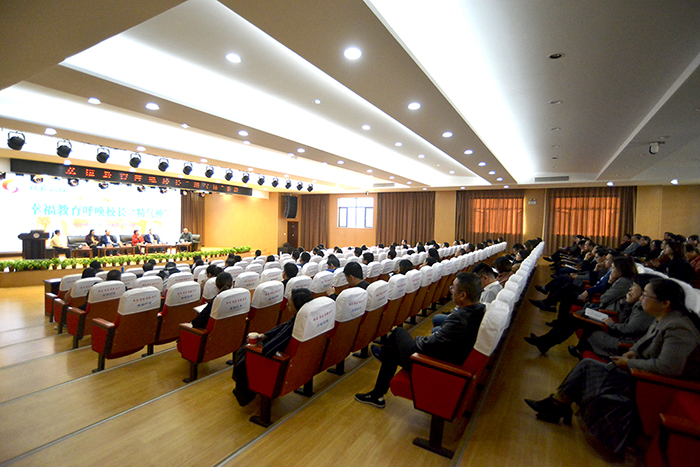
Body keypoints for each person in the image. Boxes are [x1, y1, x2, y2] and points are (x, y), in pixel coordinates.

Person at [524, 279, 700, 455]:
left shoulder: (679, 328)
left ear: (665, 303)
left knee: (588, 365)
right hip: (640, 372)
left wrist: (629, 363)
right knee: (587, 365)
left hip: (650, 385)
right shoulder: (664, 318)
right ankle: (558, 403)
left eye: (646, 295)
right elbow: (642, 343)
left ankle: (557, 404)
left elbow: (668, 367)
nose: (641, 299)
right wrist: (632, 353)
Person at [354, 272, 485, 408]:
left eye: (453, 288)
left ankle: (380, 377)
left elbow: (427, 346)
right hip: (446, 358)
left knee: (398, 333)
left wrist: (419, 338)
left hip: (432, 366)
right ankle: (377, 391)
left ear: (463, 295)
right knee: (392, 350)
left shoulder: (459, 319)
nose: (451, 291)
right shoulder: (479, 309)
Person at [232, 288, 314, 406]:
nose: (287, 306)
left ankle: (244, 395)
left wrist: (255, 346)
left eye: (290, 304)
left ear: (297, 307)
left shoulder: (294, 328)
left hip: (277, 362)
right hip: (299, 361)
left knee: (244, 353)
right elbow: (283, 326)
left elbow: (268, 349)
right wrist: (265, 336)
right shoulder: (304, 319)